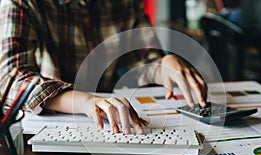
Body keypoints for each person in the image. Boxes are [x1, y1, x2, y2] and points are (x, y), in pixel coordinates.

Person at [0, 0, 207, 134]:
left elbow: (138, 60)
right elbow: (9, 78)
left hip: (116, 124)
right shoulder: (21, 3)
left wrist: (160, 65)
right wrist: (86, 102)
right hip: (50, 126)